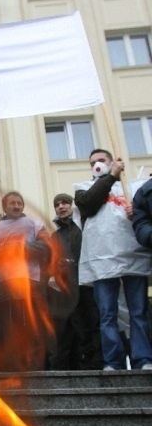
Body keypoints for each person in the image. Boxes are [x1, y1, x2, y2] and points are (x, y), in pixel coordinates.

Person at [75, 149, 152, 370]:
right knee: (107, 314)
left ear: (112, 162)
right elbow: (89, 203)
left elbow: (145, 214)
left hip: (132, 257)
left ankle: (143, 359)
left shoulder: (132, 188)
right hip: (103, 260)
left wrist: (135, 212)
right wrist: (111, 176)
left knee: (138, 312)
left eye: (101, 160)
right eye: (93, 162)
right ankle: (113, 362)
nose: (96, 164)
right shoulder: (82, 188)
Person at [0, 191, 51, 372]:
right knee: (7, 328)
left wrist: (22, 248)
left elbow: (47, 247)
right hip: (2, 288)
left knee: (31, 326)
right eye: (12, 203)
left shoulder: (35, 224)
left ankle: (34, 368)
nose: (17, 206)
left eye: (19, 203)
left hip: (30, 284)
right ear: (4, 206)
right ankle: (12, 370)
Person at [48, 193, 102, 370]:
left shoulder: (83, 226)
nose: (61, 207)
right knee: (69, 328)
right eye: (57, 204)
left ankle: (94, 364)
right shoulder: (55, 236)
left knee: (91, 324)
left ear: (72, 206)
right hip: (66, 289)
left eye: (65, 203)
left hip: (87, 284)